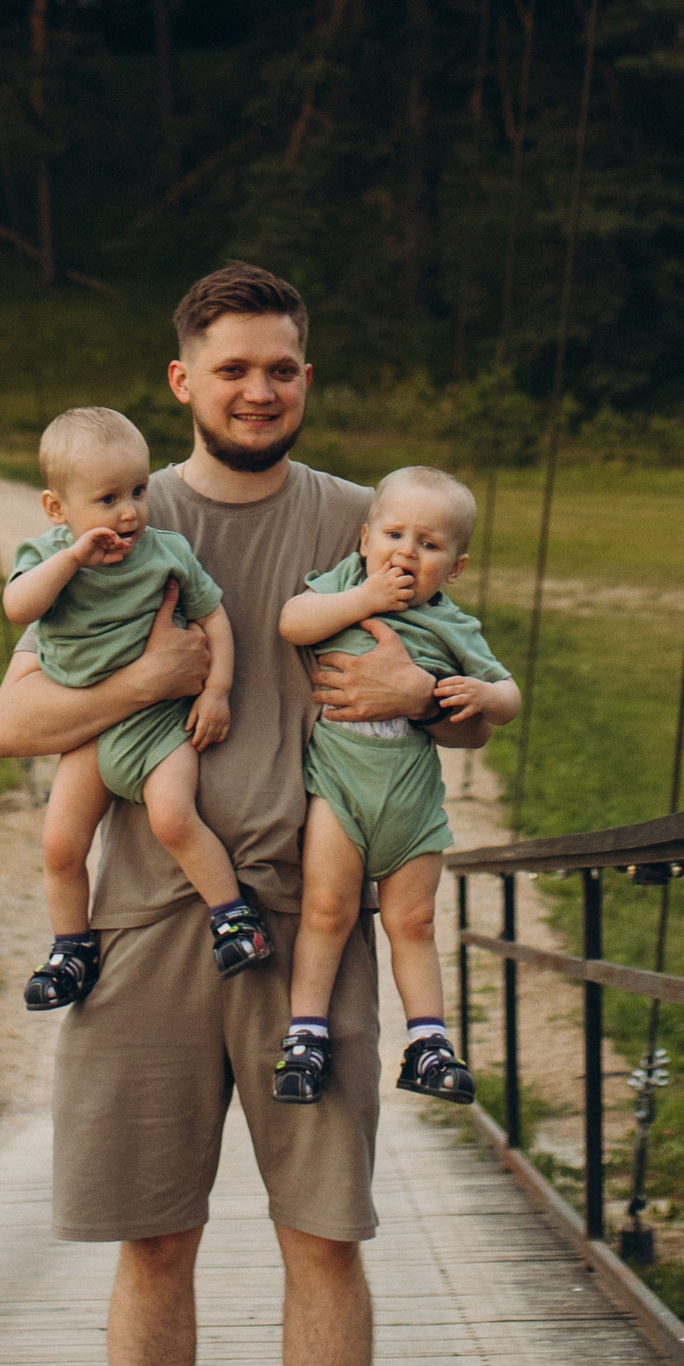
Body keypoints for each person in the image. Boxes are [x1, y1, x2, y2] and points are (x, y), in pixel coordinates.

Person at [0, 260, 473, 1366]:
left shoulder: (362, 520)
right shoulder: (123, 511)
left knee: (323, 1231)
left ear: (305, 381)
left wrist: (425, 697)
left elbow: (476, 693)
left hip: (306, 933)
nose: (261, 388)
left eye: (285, 367)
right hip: (144, 927)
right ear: (183, 381)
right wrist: (146, 682)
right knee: (158, 1234)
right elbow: (13, 724)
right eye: (234, 367)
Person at [2, 405, 273, 1004]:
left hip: (157, 727)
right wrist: (72, 559)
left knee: (173, 818)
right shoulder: (49, 557)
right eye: (106, 499)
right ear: (57, 510)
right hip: (91, 731)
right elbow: (18, 607)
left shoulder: (164, 551)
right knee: (60, 843)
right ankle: (71, 948)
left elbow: (214, 619)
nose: (128, 512)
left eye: (139, 491)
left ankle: (235, 920)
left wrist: (217, 691)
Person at [272, 467, 518, 1107]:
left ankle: (429, 1043)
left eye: (429, 544)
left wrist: (483, 694)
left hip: (411, 799)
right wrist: (365, 600)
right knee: (327, 911)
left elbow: (508, 698)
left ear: (455, 569)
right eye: (394, 534)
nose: (406, 552)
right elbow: (295, 622)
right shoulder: (347, 588)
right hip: (340, 791)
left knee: (414, 920)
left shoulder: (451, 625)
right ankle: (305, 1035)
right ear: (364, 540)